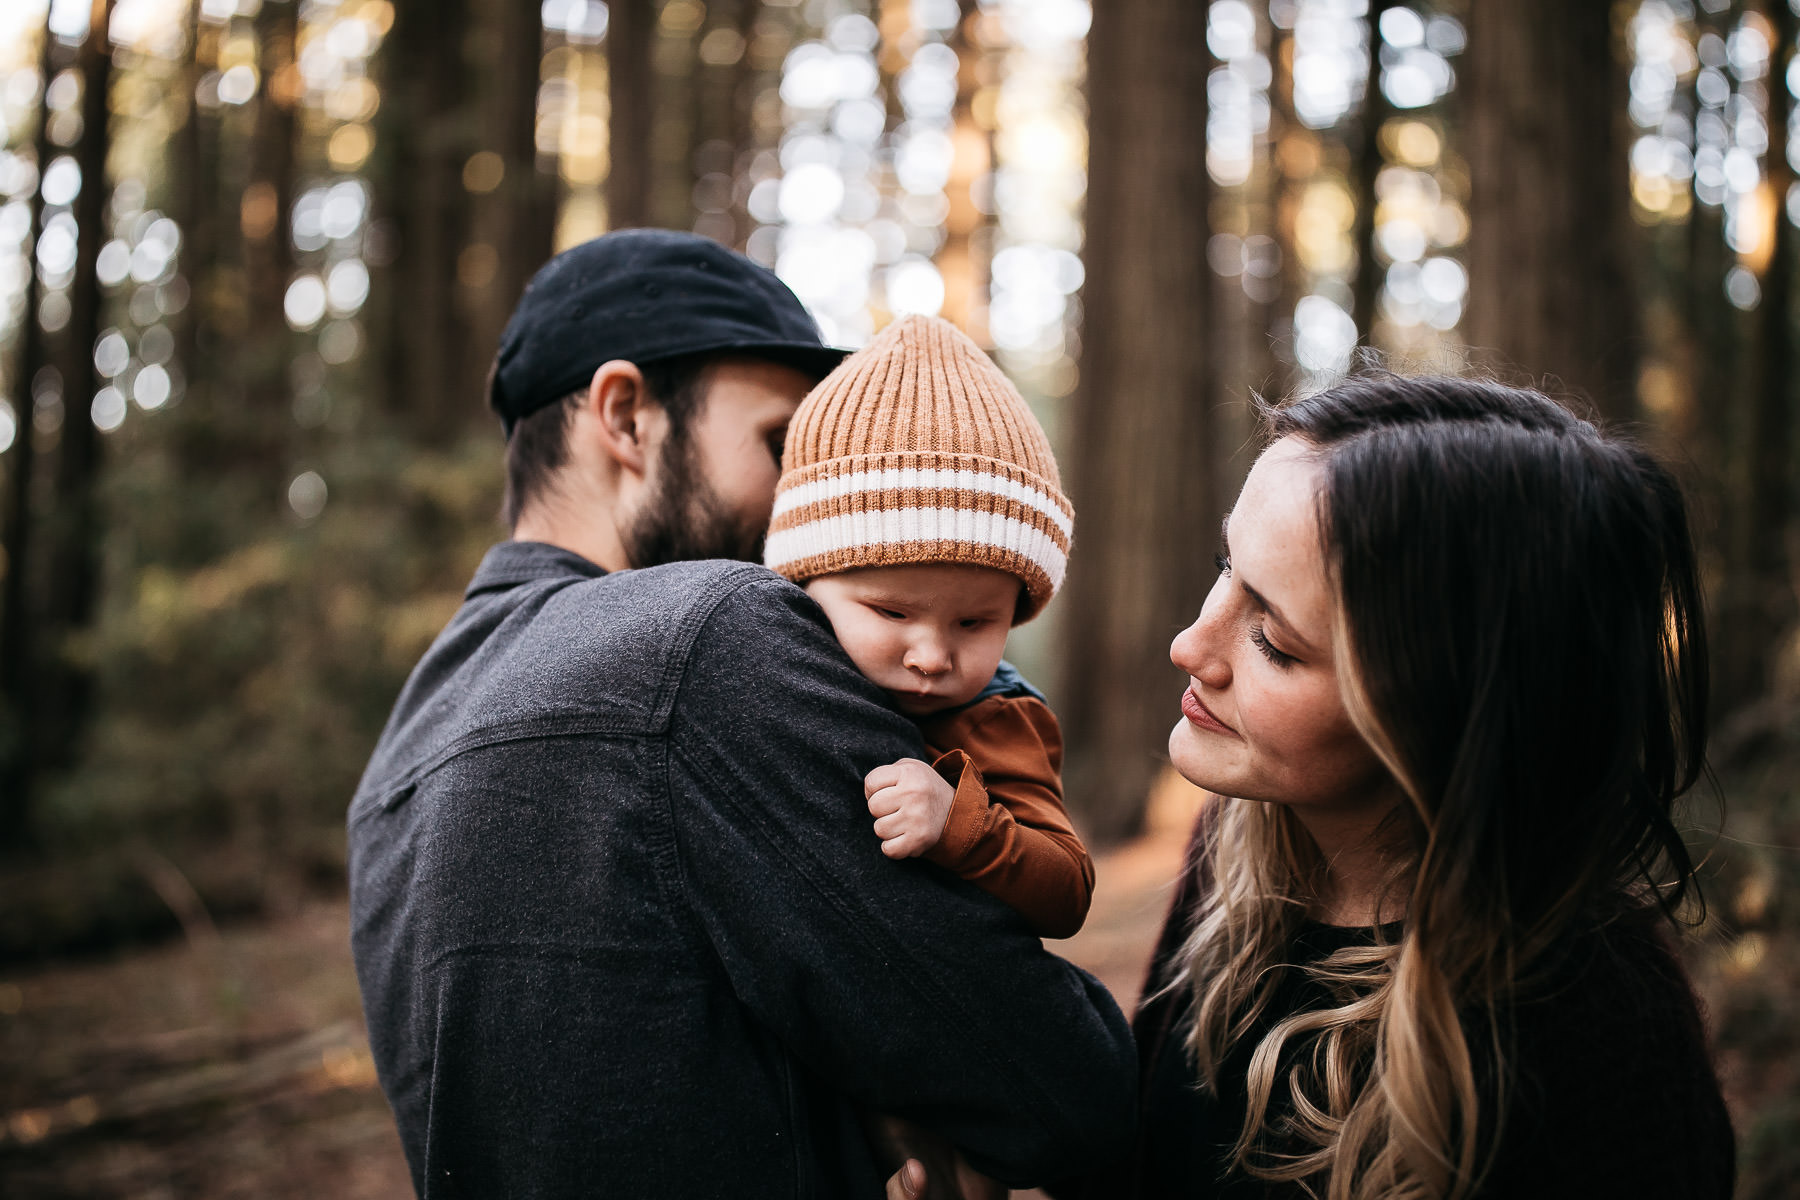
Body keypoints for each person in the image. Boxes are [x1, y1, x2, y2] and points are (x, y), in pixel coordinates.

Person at [346, 229, 1135, 1199]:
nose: (800, 492)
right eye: (780, 442)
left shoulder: (402, 746)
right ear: (626, 414)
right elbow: (1061, 1089)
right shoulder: (709, 636)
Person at [899, 373, 1737, 1199]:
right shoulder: (1239, 846)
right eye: (1226, 565)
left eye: (1274, 639)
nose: (1191, 646)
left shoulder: (1599, 1041)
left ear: (1440, 712)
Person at [765, 314, 1094, 941]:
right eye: (892, 613)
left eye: (974, 622)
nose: (933, 655)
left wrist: (963, 824)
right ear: (804, 583)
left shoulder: (998, 719)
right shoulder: (767, 669)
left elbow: (1069, 890)